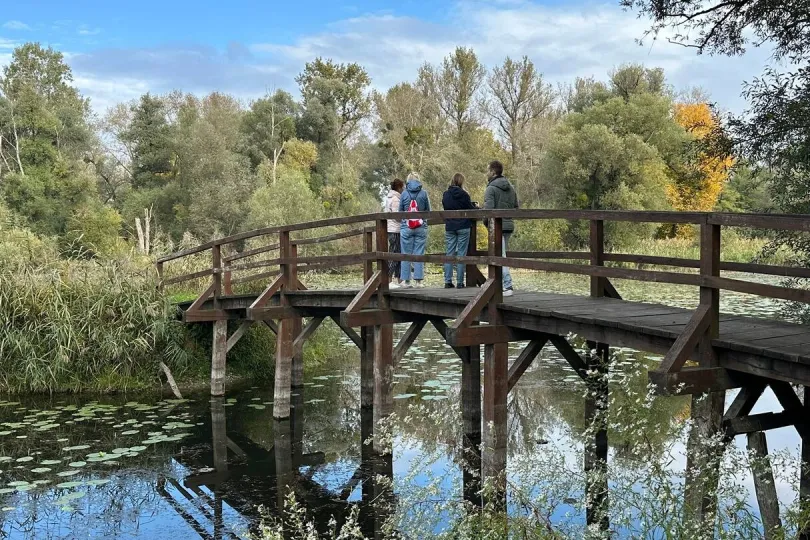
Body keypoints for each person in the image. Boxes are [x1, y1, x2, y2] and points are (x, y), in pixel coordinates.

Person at [483, 160, 518, 297]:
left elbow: (488, 210)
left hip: (497, 226)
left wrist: (486, 223)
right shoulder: (511, 187)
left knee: (500, 256)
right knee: (500, 254)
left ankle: (507, 285)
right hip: (508, 225)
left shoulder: (491, 188)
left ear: (493, 171)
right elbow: (516, 206)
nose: (486, 173)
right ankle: (499, 285)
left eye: (487, 170)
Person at [441, 173, 475, 288]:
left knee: (449, 253)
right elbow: (470, 209)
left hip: (450, 226)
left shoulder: (446, 195)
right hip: (463, 225)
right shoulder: (464, 194)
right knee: (461, 254)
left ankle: (447, 281)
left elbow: (445, 208)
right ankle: (460, 282)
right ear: (461, 182)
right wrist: (476, 207)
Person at [399, 172, 431, 288]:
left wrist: (404, 222)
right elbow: (428, 211)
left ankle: (406, 281)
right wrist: (423, 221)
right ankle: (418, 281)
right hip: (421, 227)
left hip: (406, 228)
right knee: (419, 253)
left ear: (408, 180)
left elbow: (400, 212)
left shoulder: (404, 193)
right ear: (418, 180)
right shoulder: (424, 193)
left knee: (405, 254)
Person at [385, 178, 405, 288]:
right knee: (394, 254)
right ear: (399, 187)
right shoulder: (396, 199)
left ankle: (399, 279)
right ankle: (389, 280)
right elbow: (397, 217)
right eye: (403, 187)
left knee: (398, 253)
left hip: (392, 228)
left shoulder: (389, 198)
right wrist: (406, 218)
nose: (404, 189)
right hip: (395, 229)